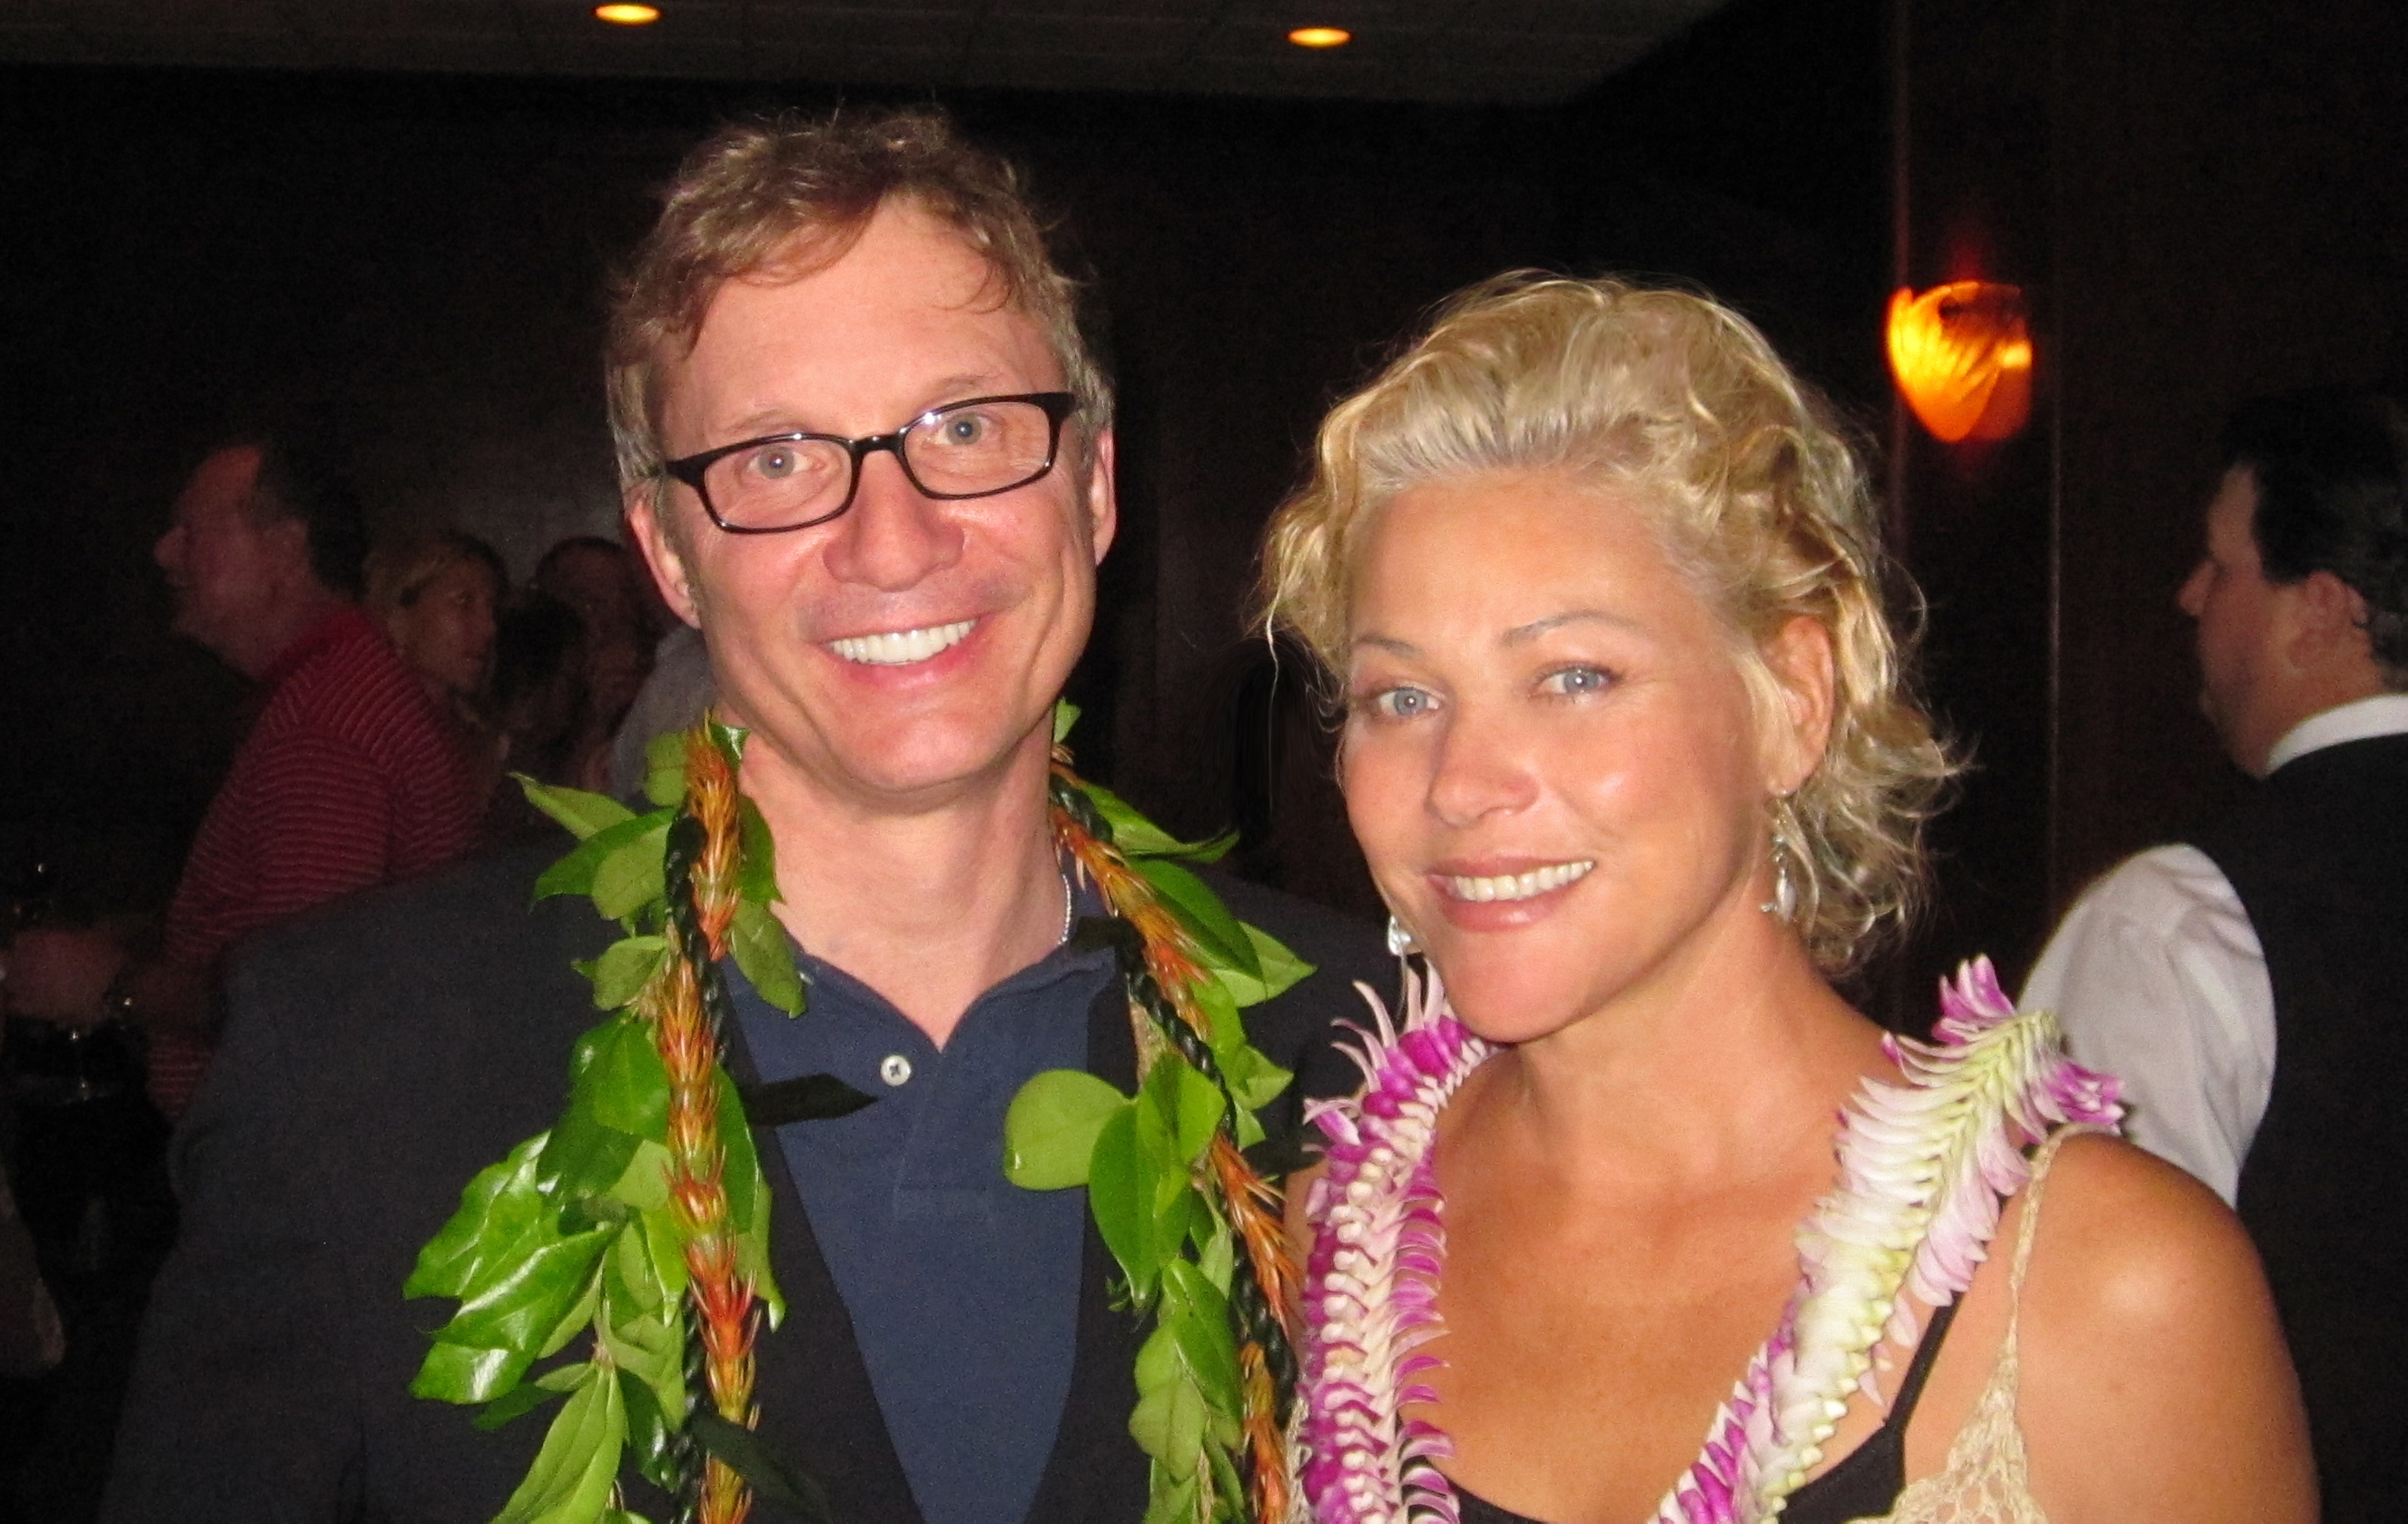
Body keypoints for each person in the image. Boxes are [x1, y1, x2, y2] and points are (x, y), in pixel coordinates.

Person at [101, 109, 1386, 1524]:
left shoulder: (1372, 1058)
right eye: (776, 458)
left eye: (968, 425)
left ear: (1092, 487)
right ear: (666, 548)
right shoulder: (355, 1059)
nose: (892, 538)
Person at [1259, 274, 2314, 1524]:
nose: (1463, 784)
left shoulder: (2105, 1285)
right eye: (1402, 697)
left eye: (1575, 674)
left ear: (1792, 702)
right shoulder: (1333, 1231)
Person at [2021, 386, 2408, 1518]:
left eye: (2222, 564)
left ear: (2321, 612)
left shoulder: (2182, 920)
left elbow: (2069, 1330)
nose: (2190, 595)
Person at [5, 437, 483, 1117]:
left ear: (285, 549)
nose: (164, 553)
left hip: (304, 1169)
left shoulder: (325, 722)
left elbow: (301, 996)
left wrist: (114, 986)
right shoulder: (334, 687)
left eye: (190, 530)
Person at [364, 528, 507, 726]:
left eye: (492, 608)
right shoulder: (364, 733)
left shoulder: (477, 733)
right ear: (398, 620)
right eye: (463, 602)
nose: (490, 627)